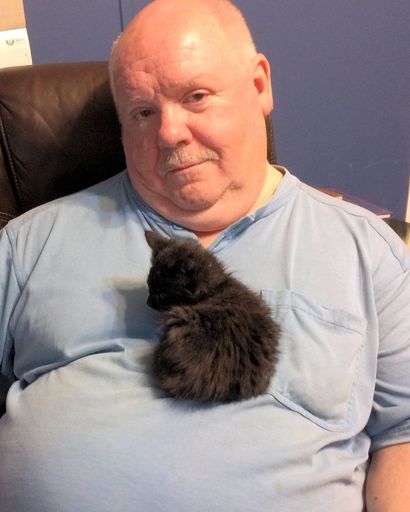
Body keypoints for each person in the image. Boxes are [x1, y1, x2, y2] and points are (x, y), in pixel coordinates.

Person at [0, 0, 409, 510]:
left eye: (195, 96)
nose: (169, 132)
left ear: (259, 85)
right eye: (143, 112)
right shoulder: (27, 245)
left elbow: (402, 434)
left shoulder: (368, 253)